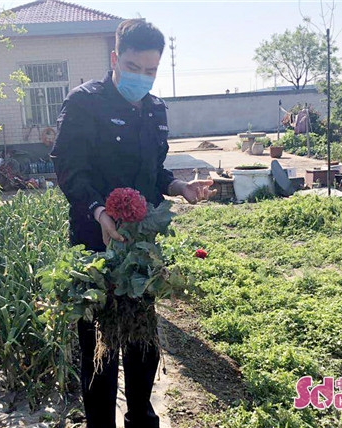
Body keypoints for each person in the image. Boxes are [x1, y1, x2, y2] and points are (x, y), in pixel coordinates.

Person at [50, 19, 215, 428]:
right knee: (100, 350)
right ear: (115, 58)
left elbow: (154, 172)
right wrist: (98, 212)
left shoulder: (156, 110)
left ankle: (141, 418)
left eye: (151, 70)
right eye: (133, 67)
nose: (142, 77)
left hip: (141, 248)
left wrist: (179, 186)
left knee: (143, 342)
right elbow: (70, 169)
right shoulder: (84, 103)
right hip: (95, 243)